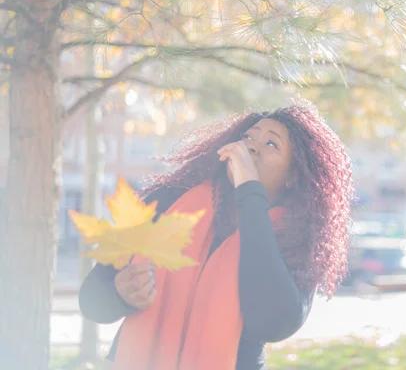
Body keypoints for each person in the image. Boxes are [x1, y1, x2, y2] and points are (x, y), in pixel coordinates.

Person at [78, 99, 354, 370]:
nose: (252, 147)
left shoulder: (296, 241)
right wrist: (119, 294)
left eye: (272, 144)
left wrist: (250, 193)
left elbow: (273, 324)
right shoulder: (171, 201)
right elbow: (91, 300)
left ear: (293, 176)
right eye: (248, 137)